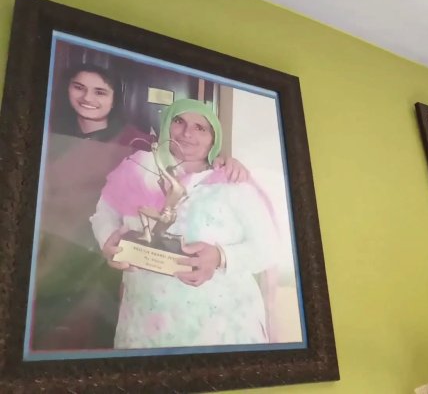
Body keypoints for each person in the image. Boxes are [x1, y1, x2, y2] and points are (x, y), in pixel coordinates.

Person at [32, 64, 250, 350]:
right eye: (79, 87)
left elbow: (191, 156)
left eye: (100, 92)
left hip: (118, 275)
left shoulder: (138, 143)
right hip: (60, 249)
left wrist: (226, 161)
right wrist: (106, 239)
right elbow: (103, 212)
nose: (88, 98)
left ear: (114, 98)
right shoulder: (47, 133)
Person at [91, 99, 280, 348]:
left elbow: (269, 248)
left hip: (219, 329)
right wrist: (108, 241)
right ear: (166, 126)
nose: (187, 133)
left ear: (214, 139)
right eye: (179, 121)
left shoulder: (233, 182)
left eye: (201, 128)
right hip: (144, 326)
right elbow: (104, 214)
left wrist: (221, 257)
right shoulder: (136, 169)